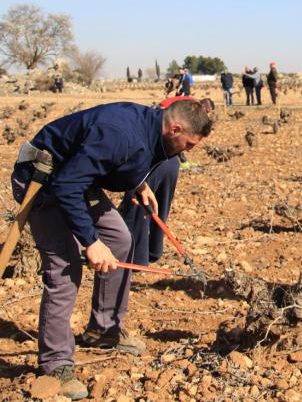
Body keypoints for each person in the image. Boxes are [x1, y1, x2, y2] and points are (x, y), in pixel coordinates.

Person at [10, 101, 212, 399]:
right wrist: (91, 242)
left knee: (119, 239)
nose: (188, 151)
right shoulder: (120, 133)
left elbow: (113, 161)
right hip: (44, 180)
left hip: (75, 177)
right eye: (189, 144)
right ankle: (56, 363)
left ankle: (104, 330)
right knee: (65, 269)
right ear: (176, 129)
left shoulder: (150, 127)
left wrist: (140, 183)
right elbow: (67, 186)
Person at [119, 97, 214, 266]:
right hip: (170, 161)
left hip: (161, 160)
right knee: (158, 204)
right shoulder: (183, 109)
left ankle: (137, 258)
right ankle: (154, 250)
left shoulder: (185, 111)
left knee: (141, 205)